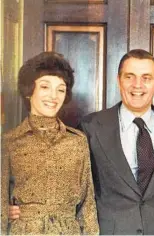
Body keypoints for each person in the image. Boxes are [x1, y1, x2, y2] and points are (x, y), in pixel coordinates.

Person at [79, 49, 154, 234]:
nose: (137, 85)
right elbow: (76, 187)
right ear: (118, 80)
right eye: (129, 77)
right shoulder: (91, 127)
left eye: (146, 78)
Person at [1, 52, 99, 235]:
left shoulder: (77, 141)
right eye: (45, 87)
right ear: (29, 91)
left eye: (60, 89)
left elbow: (87, 204)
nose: (53, 96)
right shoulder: (9, 142)